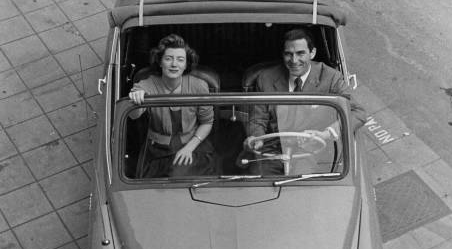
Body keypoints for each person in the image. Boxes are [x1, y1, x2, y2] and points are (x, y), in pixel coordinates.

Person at [243, 28, 366, 174]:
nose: (294, 61)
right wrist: (257, 138)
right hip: (273, 148)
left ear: (312, 53)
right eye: (289, 54)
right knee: (257, 183)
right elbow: (258, 117)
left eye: (300, 53)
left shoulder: (330, 78)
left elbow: (358, 113)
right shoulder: (266, 78)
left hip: (313, 149)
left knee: (304, 187)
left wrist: (327, 134)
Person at [129, 34, 214, 178]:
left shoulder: (199, 86)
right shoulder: (146, 84)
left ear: (186, 64)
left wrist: (189, 148)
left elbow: (207, 122)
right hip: (157, 152)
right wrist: (137, 98)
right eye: (168, 59)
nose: (174, 64)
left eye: (180, 60)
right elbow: (133, 115)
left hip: (194, 146)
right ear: (160, 62)